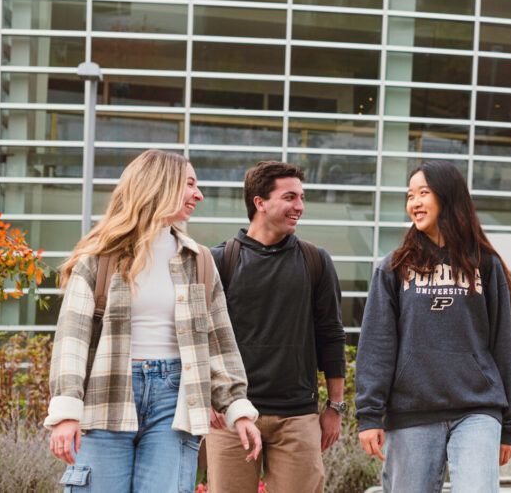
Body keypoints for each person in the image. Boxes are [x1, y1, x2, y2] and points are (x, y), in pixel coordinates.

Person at [46, 149, 262, 493]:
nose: (198, 194)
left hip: (175, 401)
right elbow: (71, 341)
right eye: (189, 184)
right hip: (106, 396)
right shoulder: (99, 259)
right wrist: (66, 411)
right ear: (159, 185)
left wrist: (237, 407)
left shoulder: (199, 261)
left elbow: (218, 341)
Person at [355, 160, 511, 492]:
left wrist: (509, 425)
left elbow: (502, 344)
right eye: (410, 195)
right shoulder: (393, 267)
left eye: (423, 193)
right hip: (413, 410)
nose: (414, 202)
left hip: (477, 408)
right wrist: (369, 414)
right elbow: (377, 344)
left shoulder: (485, 265)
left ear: (448, 197)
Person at [205, 161, 346, 493]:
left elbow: (332, 335)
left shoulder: (316, 261)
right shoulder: (219, 261)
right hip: (231, 415)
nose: (299, 206)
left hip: (296, 417)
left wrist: (335, 407)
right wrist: (208, 397)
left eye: (301, 197)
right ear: (260, 202)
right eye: (289, 197)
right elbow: (200, 339)